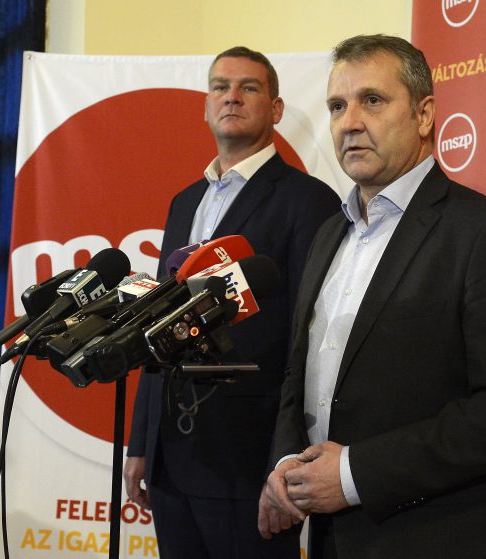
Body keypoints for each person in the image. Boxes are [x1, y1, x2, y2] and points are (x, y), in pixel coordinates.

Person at [258, 35, 486, 558]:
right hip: (331, 538)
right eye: (337, 106)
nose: (349, 122)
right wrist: (286, 462)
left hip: (442, 537)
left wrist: (353, 474)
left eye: (372, 100)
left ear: (424, 115)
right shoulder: (328, 233)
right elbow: (299, 371)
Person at [124, 46, 341, 559]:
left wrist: (286, 459)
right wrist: (142, 443)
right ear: (206, 106)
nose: (232, 97)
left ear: (276, 108)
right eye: (220, 87)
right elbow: (161, 326)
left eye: (249, 87)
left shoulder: (308, 201)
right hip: (172, 457)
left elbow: (308, 340)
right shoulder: (184, 202)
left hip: (249, 459)